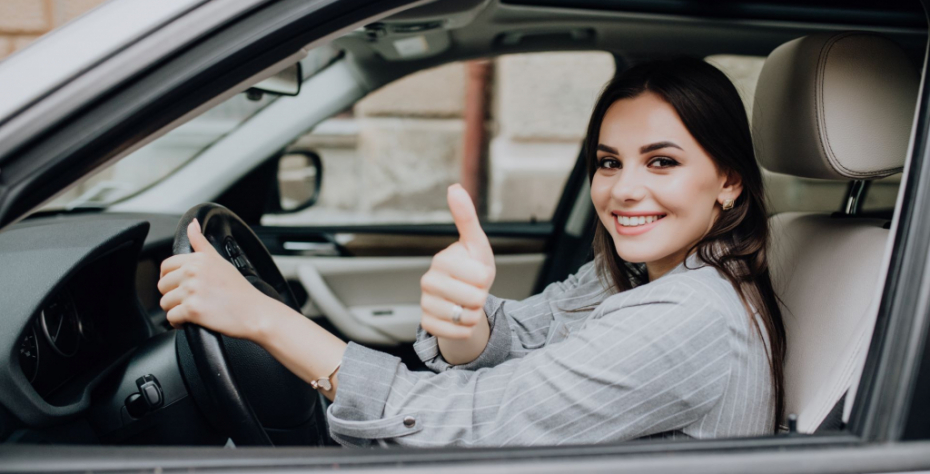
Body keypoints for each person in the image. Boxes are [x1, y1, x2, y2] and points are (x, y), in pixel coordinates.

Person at [157, 57, 786, 448]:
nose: (623, 189)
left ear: (728, 180)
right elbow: (526, 332)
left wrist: (263, 318)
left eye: (662, 162)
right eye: (608, 162)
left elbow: (467, 423)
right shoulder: (634, 273)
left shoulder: (689, 316)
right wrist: (467, 324)